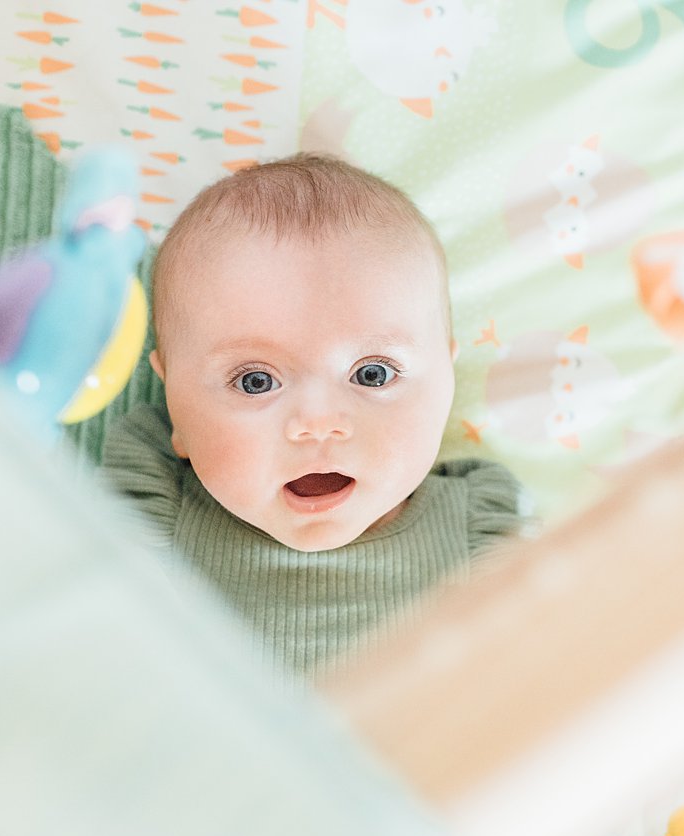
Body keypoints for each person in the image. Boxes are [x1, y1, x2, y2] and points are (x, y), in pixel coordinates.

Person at [101, 153, 529, 679]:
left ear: (447, 378)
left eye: (372, 374)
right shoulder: (152, 518)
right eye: (255, 381)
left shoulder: (477, 535)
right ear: (175, 407)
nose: (318, 424)